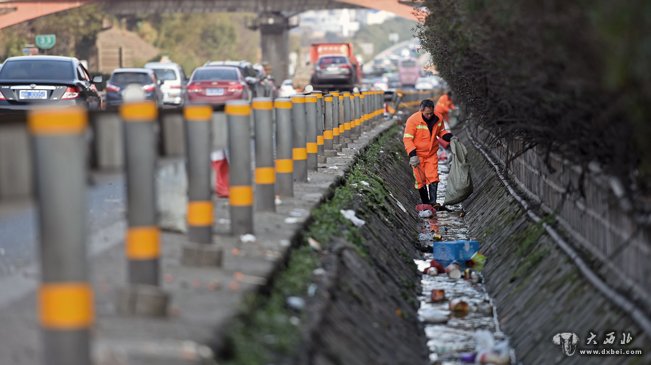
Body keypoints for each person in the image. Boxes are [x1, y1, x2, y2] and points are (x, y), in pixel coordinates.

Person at [403, 99, 453, 206]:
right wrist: (412, 155)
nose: (429, 116)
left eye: (431, 113)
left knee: (433, 177)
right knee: (420, 181)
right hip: (418, 155)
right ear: (421, 110)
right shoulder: (413, 120)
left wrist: (449, 137)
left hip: (431, 154)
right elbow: (407, 139)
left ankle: (433, 203)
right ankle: (426, 204)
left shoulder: (438, 117)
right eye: (427, 114)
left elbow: (441, 131)